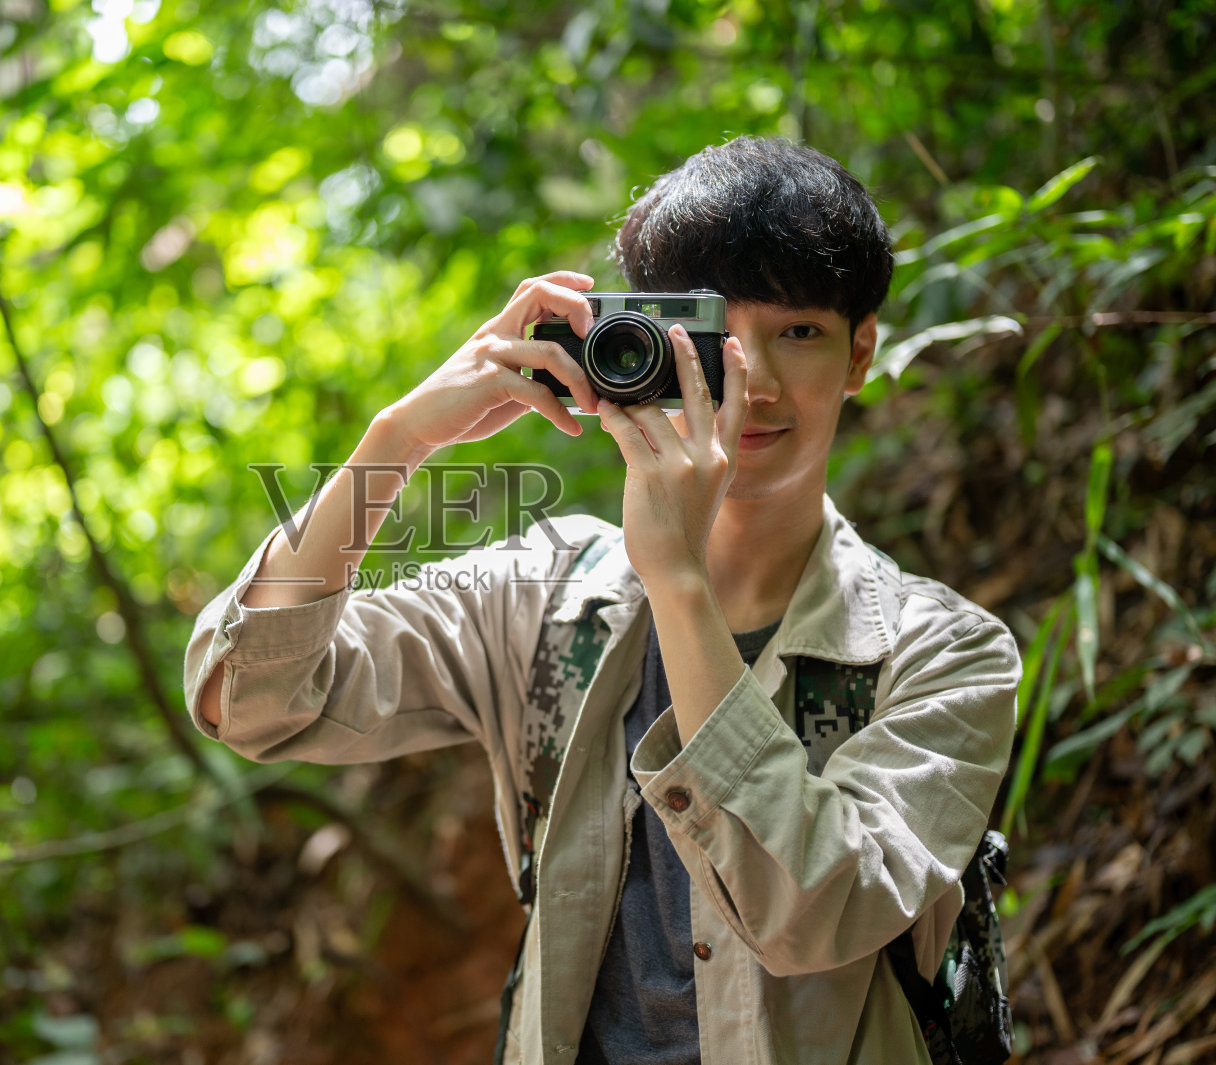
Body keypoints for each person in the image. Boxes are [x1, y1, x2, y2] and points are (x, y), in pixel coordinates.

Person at [183, 136, 1020, 1065]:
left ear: (861, 353)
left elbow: (811, 914)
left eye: (799, 332)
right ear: (643, 339)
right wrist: (403, 435)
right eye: (713, 339)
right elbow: (247, 697)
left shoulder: (942, 652)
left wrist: (680, 583)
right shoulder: (550, 596)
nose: (753, 383)